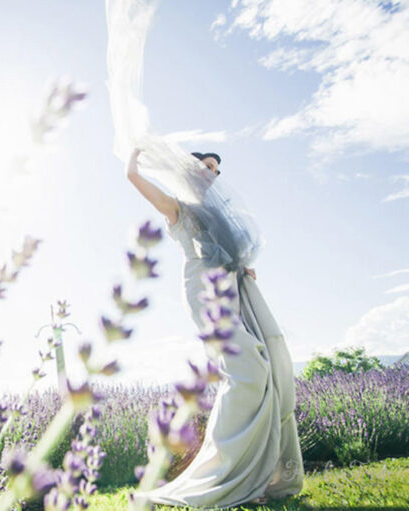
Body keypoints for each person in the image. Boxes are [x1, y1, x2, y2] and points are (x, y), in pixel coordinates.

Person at [125, 148, 305, 508]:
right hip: (206, 292)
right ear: (188, 170)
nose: (213, 174)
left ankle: (259, 474)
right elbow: (135, 179)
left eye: (217, 170)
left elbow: (230, 251)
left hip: (235, 288)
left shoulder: (220, 214)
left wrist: (243, 268)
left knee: (271, 368)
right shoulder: (179, 208)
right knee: (248, 373)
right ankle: (225, 473)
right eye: (207, 167)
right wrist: (134, 157)